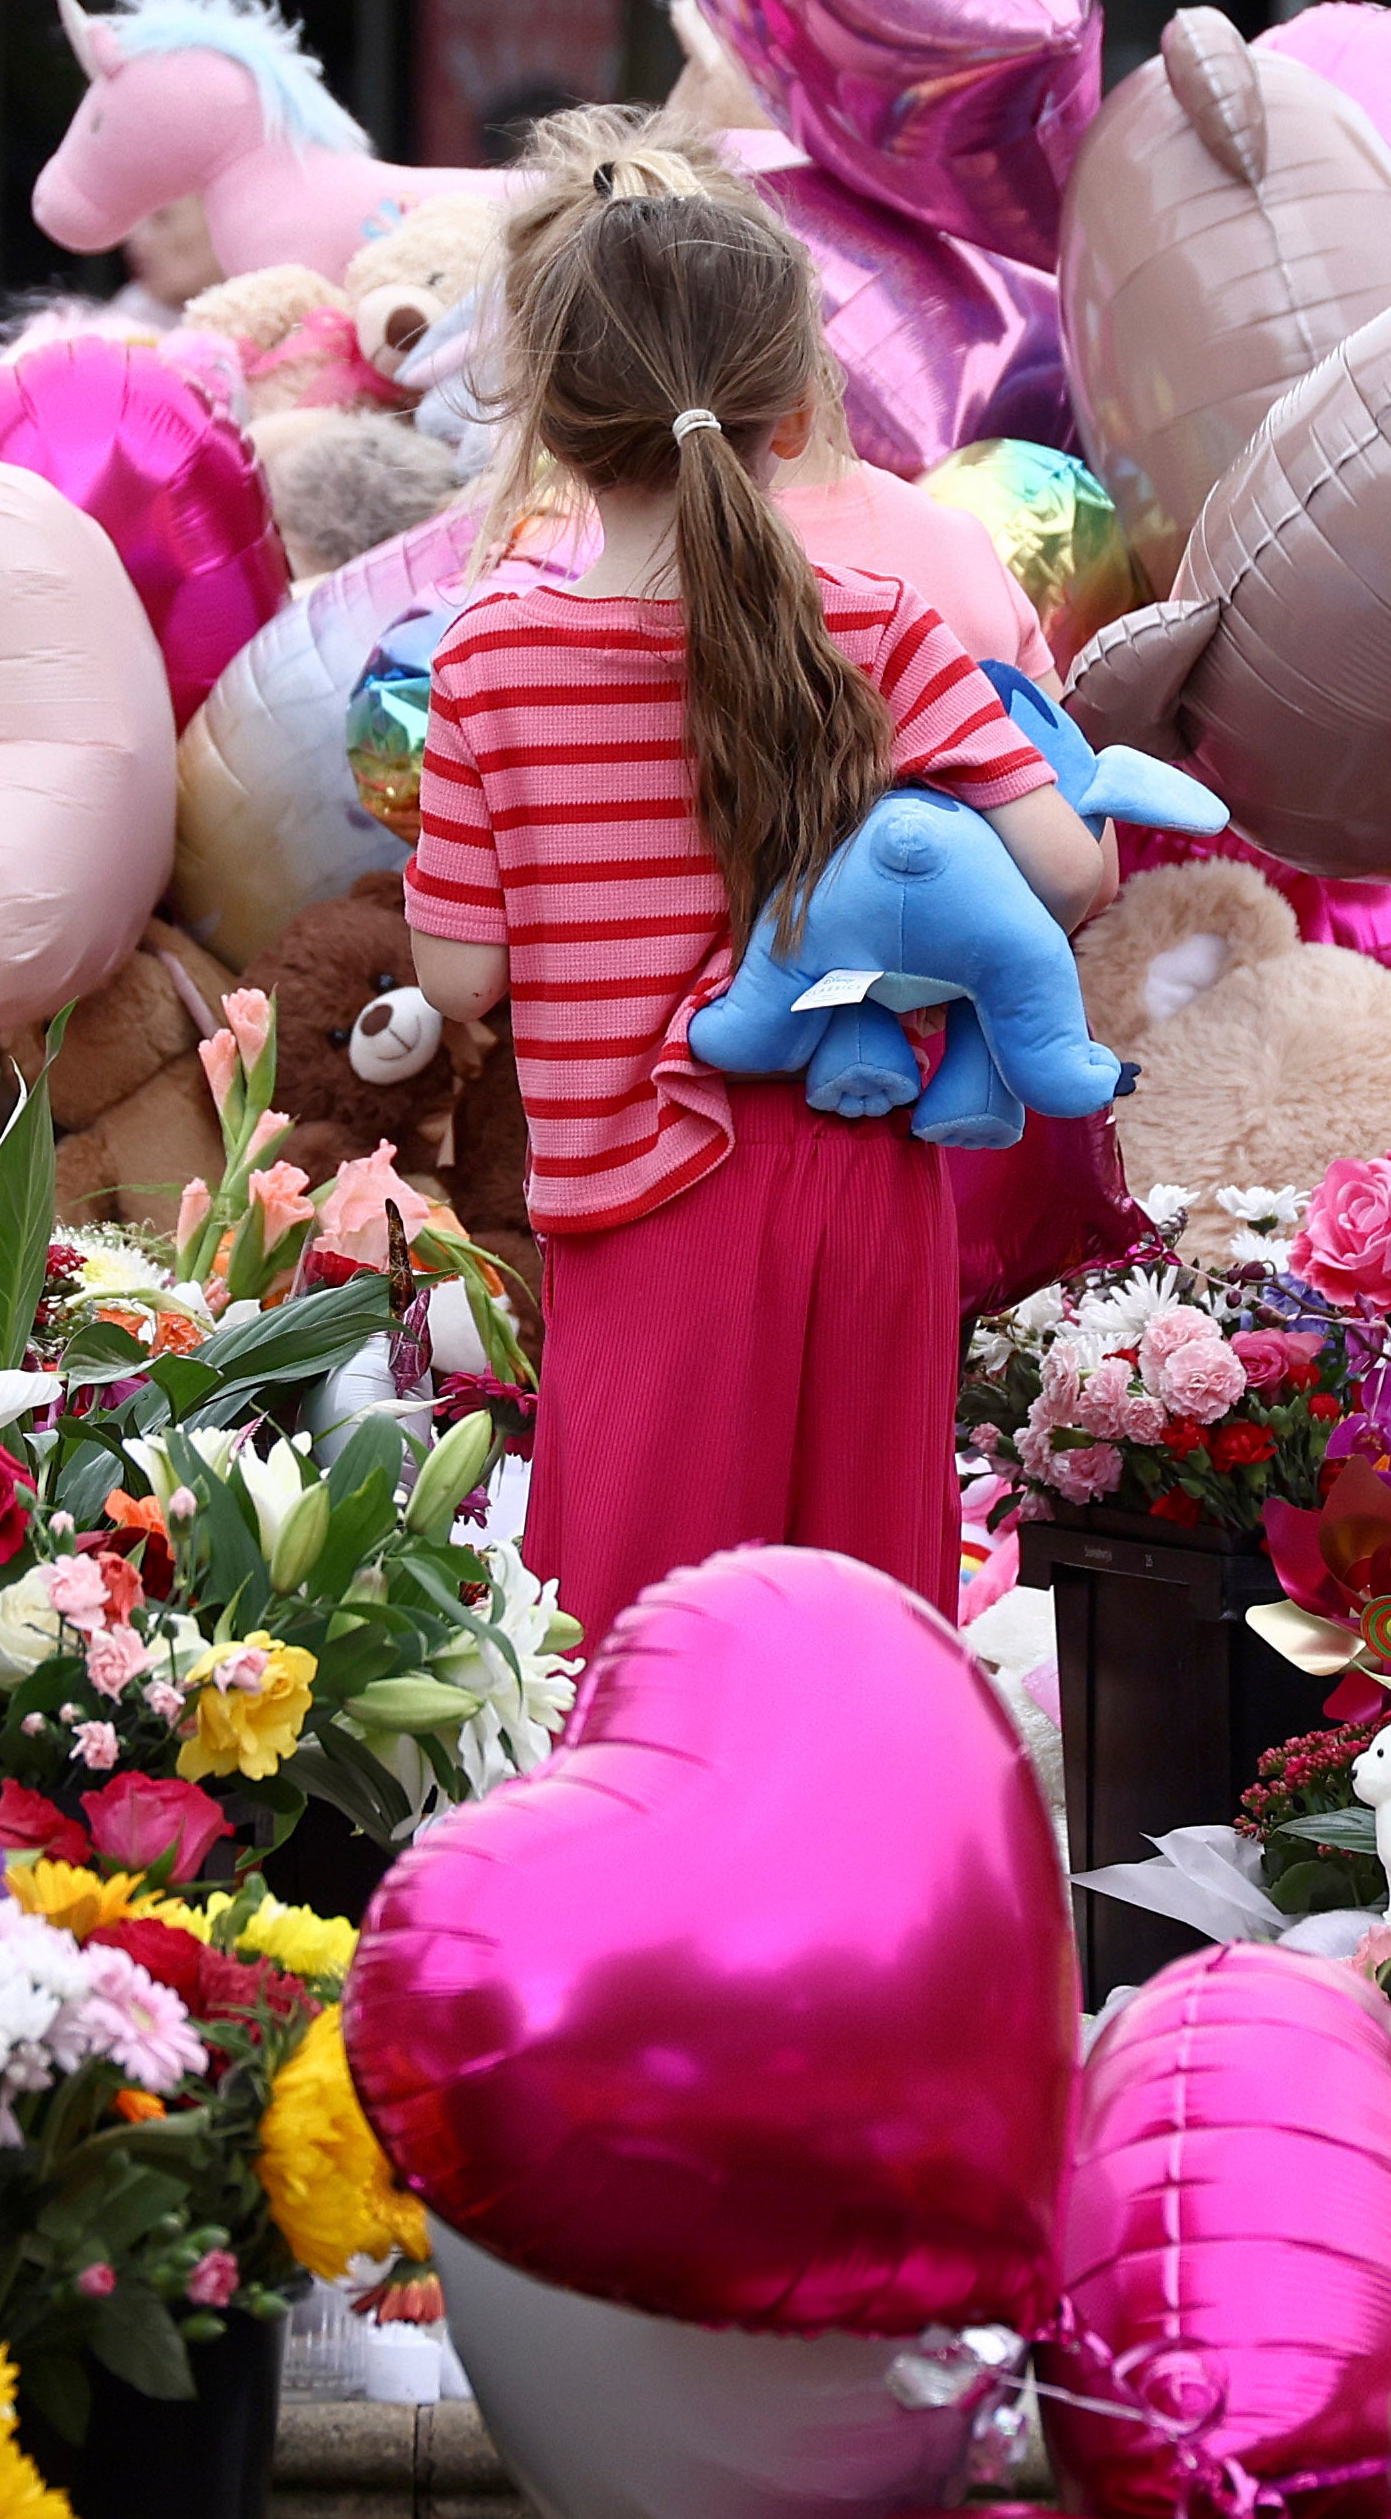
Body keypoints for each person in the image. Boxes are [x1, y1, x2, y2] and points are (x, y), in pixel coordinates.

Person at [394, 118, 1108, 1639]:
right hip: (864, 1174)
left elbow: (459, 978)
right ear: (796, 413)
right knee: (861, 1627)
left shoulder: (491, 652)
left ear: (559, 424)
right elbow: (1067, 874)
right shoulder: (883, 622)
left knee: (651, 1639)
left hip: (633, 1195)